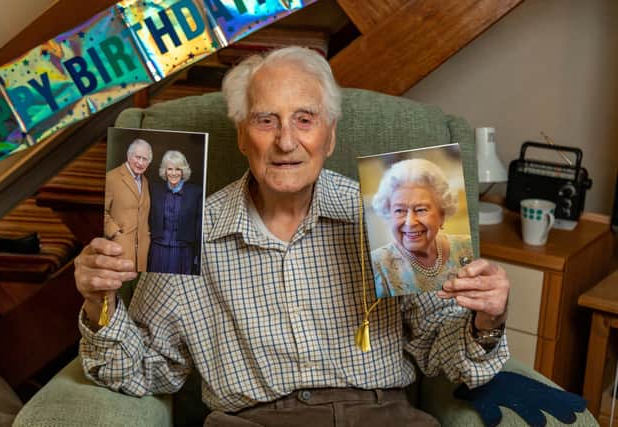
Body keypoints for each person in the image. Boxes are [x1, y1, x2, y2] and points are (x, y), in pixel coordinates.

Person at [75, 46, 510, 427]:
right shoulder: (188, 234)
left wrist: (487, 321)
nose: (286, 141)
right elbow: (147, 370)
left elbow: (444, 348)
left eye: (305, 120)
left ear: (330, 135)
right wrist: (100, 302)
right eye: (266, 120)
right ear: (243, 135)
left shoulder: (386, 218)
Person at [370, 158, 474, 297]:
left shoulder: (468, 246)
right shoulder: (376, 266)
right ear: (389, 215)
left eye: (421, 209)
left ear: (441, 215)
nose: (410, 222)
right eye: (399, 210)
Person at [148, 150, 203, 275]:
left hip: (183, 252)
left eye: (178, 169)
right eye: (170, 169)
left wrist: (198, 255)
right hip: (158, 250)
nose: (173, 173)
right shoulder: (154, 190)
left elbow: (199, 226)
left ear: (183, 171)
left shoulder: (196, 193)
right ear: (165, 171)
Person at [103, 138, 152, 272]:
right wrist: (115, 232)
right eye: (138, 157)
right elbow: (102, 210)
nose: (141, 162)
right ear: (129, 156)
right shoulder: (111, 177)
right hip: (120, 246)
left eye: (145, 159)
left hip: (142, 251)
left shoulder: (145, 181)